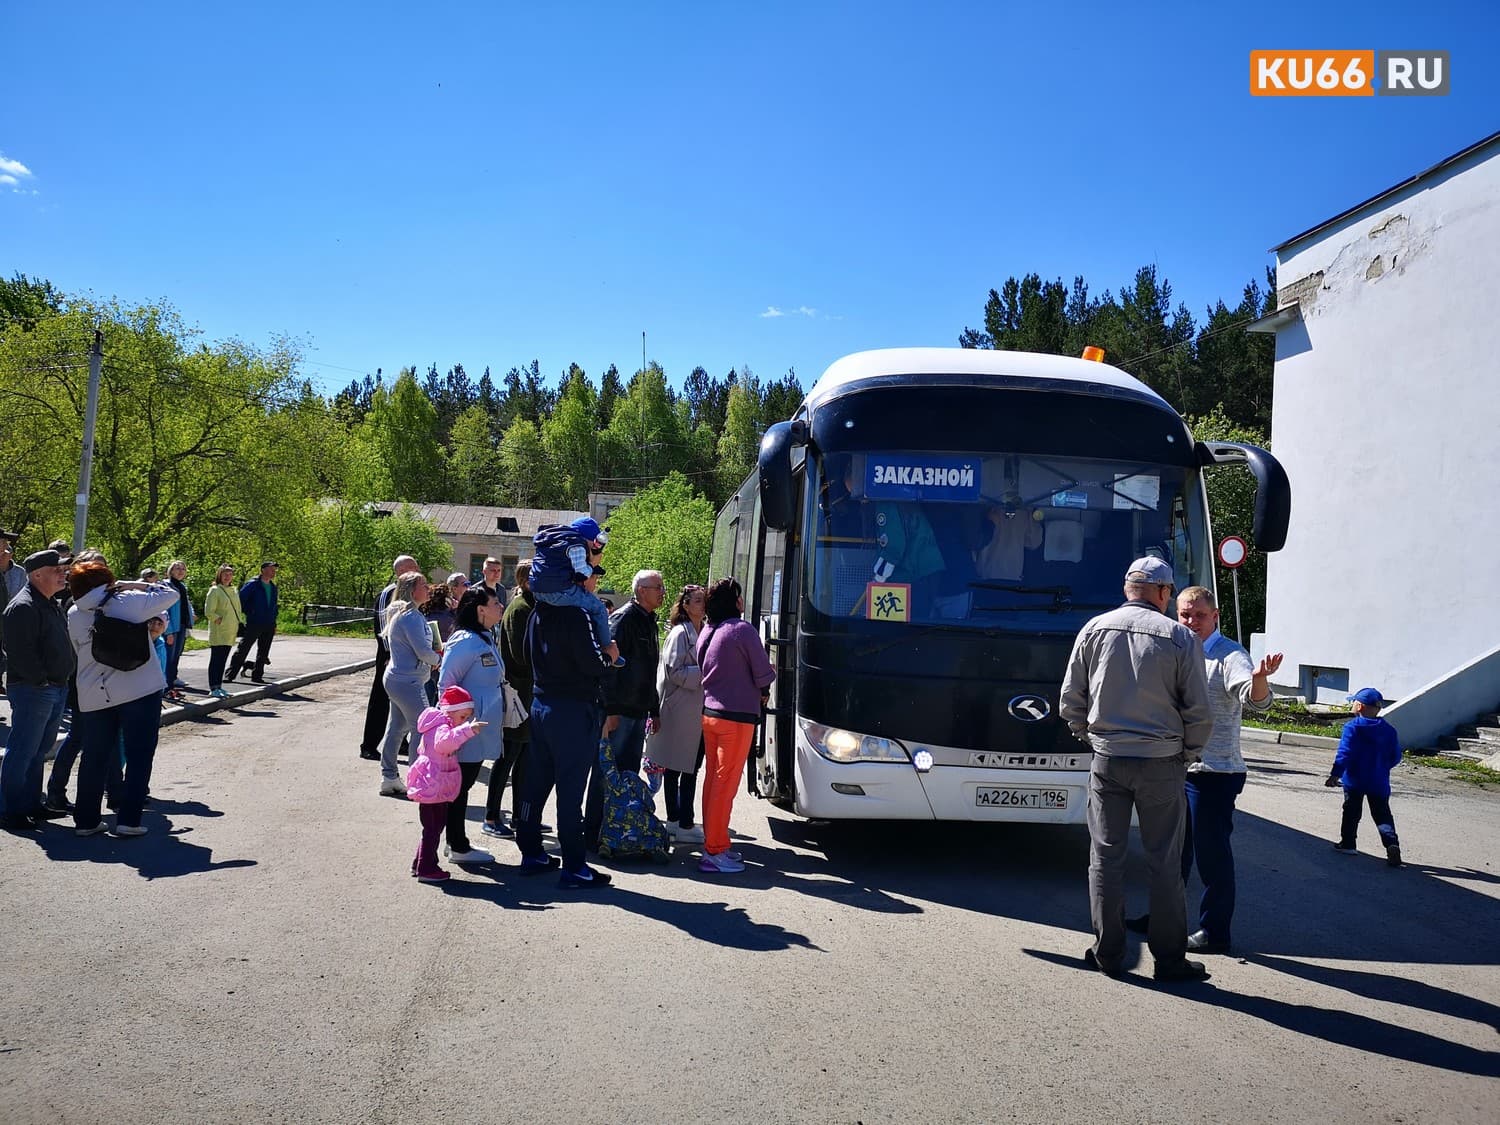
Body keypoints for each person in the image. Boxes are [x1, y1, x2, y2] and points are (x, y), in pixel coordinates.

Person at [1058, 556, 1213, 983]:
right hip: (1162, 763)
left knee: (1105, 857)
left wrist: (1092, 738)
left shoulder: (1094, 628)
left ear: (1128, 589)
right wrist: (1187, 754)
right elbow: (1200, 712)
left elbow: (1071, 700)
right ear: (1163, 593)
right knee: (1165, 862)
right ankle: (1169, 961)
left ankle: (1108, 954)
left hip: (1108, 759)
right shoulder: (1181, 638)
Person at [1129, 587, 1282, 954]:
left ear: (1215, 617)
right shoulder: (1173, 647)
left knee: (1211, 855)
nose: (1190, 621)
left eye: (1199, 615)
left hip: (1213, 773)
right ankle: (1163, 919)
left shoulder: (1229, 654)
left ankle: (1215, 931)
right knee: (1170, 852)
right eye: (1184, 614)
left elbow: (1253, 696)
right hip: (1174, 766)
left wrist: (1260, 679)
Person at [66, 559, 180, 837]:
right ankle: (129, 820)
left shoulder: (73, 613)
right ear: (107, 581)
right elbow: (171, 595)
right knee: (140, 755)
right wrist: (133, 584)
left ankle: (86, 821)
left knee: (94, 757)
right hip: (138, 689)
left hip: (95, 694)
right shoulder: (128, 601)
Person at [515, 568, 613, 888]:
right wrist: (610, 656)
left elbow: (528, 657)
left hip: (542, 704)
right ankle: (574, 866)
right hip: (572, 710)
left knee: (537, 783)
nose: (595, 581)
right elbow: (594, 663)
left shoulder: (537, 613)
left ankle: (531, 852)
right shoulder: (577, 615)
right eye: (593, 575)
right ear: (579, 581)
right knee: (570, 793)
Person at [696, 576, 776, 875]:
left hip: (711, 713)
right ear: (735, 602)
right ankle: (715, 850)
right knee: (725, 784)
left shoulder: (708, 629)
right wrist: (770, 675)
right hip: (736, 717)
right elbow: (762, 673)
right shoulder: (742, 630)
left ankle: (714, 842)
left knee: (713, 781)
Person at [585, 569, 665, 850]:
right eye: (658, 587)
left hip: (638, 710)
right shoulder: (623, 619)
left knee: (628, 778)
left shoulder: (649, 622)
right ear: (641, 590)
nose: (662, 592)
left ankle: (619, 831)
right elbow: (609, 669)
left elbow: (648, 671)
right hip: (619, 712)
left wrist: (653, 710)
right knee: (606, 774)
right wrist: (610, 709)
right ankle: (593, 832)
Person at [0, 549, 74, 831]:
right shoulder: (23, 606)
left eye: (63, 569)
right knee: (22, 751)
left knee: (38, 751)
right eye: (57, 570)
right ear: (37, 574)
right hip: (34, 690)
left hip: (53, 688)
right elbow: (19, 652)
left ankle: (31, 805)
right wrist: (41, 681)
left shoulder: (49, 602)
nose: (63, 574)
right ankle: (9, 809)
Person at [435, 586, 508, 866]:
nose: (500, 606)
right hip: (465, 729)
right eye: (495, 602)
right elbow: (446, 684)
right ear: (480, 610)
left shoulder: (484, 637)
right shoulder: (465, 640)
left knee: (463, 784)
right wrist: (455, 725)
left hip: (479, 728)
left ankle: (457, 841)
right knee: (459, 786)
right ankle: (457, 845)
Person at [645, 584, 707, 843]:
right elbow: (674, 671)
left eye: (704, 600)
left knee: (689, 767)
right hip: (680, 709)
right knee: (676, 767)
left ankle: (682, 820)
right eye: (698, 600)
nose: (703, 605)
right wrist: (706, 672)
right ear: (685, 605)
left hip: (694, 710)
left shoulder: (702, 630)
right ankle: (676, 820)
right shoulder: (680, 633)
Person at [406, 684, 484, 884]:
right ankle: (426, 868)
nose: (463, 721)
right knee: (433, 828)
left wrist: (462, 728)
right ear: (450, 712)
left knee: (432, 827)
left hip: (433, 783)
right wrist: (468, 731)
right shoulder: (442, 727)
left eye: (466, 718)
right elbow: (444, 743)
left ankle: (421, 863)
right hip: (434, 785)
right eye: (462, 716)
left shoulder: (441, 724)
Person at [377, 571, 440, 798]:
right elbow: (423, 651)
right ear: (413, 590)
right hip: (408, 681)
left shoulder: (407, 614)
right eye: (424, 585)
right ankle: (417, 781)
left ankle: (389, 777)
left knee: (397, 728)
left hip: (399, 679)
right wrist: (440, 660)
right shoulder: (410, 616)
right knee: (422, 728)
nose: (428, 588)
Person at [1326, 687, 1404, 867]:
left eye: (1353, 702)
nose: (1352, 705)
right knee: (1383, 815)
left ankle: (1348, 843)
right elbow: (1396, 756)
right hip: (1379, 781)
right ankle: (1391, 843)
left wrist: (1335, 775)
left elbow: (1344, 753)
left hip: (1354, 780)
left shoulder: (1352, 727)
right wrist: (1382, 768)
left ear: (1359, 706)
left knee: (1351, 812)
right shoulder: (1389, 730)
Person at [484, 560, 533, 838]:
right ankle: (492, 817)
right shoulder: (520, 609)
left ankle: (520, 817)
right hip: (518, 696)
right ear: (527, 581)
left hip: (528, 696)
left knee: (525, 759)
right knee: (508, 758)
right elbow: (520, 656)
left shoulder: (530, 606)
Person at [530, 517, 621, 666]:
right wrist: (592, 563)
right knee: (599, 609)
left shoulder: (553, 541)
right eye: (595, 544)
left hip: (538, 591)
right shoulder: (577, 545)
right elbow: (582, 573)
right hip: (559, 590)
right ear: (589, 539)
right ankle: (607, 647)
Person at [360, 555, 421, 760]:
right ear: (400, 571)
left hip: (405, 658)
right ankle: (368, 745)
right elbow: (383, 626)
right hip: (389, 657)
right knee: (380, 700)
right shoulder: (389, 593)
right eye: (411, 568)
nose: (416, 571)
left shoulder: (412, 596)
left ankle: (402, 743)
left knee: (402, 703)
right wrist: (389, 654)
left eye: (416, 567)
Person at [226, 561, 278, 684]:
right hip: (254, 622)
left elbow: (274, 606)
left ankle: (257, 675)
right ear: (263, 570)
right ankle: (230, 674)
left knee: (264, 651)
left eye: (274, 570)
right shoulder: (253, 584)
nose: (273, 572)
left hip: (269, 623)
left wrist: (274, 622)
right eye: (271, 569)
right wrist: (251, 612)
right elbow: (241, 600)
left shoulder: (273, 587)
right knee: (243, 648)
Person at [204, 564, 242, 697]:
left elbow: (237, 609)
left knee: (223, 660)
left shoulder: (234, 590)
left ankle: (219, 686)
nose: (227, 577)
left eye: (230, 574)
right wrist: (218, 619)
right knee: (216, 659)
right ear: (219, 575)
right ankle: (213, 687)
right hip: (219, 631)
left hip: (230, 630)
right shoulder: (215, 590)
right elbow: (209, 611)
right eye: (225, 574)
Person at [164, 560, 195, 690]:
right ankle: (166, 684)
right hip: (171, 627)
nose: (180, 571)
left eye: (183, 569)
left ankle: (173, 679)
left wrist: (191, 614)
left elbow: (186, 604)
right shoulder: (166, 586)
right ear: (171, 571)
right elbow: (164, 609)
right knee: (169, 656)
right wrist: (168, 631)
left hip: (182, 625)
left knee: (177, 654)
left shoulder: (182, 586)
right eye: (177, 568)